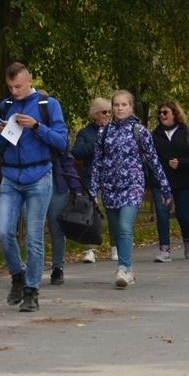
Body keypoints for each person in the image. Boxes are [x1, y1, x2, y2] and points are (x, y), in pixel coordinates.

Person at [0, 63, 68, 312]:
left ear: (30, 81)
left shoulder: (48, 105)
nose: (14, 91)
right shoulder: (5, 106)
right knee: (4, 232)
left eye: (18, 86)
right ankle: (18, 276)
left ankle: (32, 291)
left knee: (34, 238)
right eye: (10, 87)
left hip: (39, 176)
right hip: (11, 177)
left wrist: (37, 126)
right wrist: (1, 133)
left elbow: (62, 142)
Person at [90, 90, 171, 288]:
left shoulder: (139, 131)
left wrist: (165, 186)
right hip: (110, 187)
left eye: (124, 105)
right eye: (116, 105)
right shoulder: (104, 132)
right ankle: (129, 270)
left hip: (133, 185)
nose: (119, 108)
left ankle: (123, 268)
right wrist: (93, 190)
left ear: (131, 107)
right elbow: (97, 162)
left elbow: (153, 160)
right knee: (117, 232)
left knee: (126, 227)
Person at [150, 100, 189, 261]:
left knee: (183, 215)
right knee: (162, 213)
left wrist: (182, 162)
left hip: (183, 180)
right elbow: (151, 158)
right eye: (160, 113)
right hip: (161, 181)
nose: (162, 115)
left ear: (174, 114)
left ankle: (187, 240)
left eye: (165, 112)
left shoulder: (186, 131)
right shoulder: (155, 134)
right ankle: (165, 249)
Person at [71, 97, 118, 263]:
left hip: (112, 179)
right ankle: (91, 249)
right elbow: (76, 153)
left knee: (113, 213)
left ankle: (115, 247)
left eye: (109, 112)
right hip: (92, 178)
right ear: (94, 114)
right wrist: (97, 143)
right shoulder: (85, 133)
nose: (107, 115)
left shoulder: (115, 130)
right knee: (92, 213)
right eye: (104, 112)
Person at [46, 146, 82, 285]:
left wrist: (76, 188)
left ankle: (57, 268)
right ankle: (32, 268)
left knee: (56, 228)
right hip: (31, 180)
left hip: (57, 184)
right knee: (33, 228)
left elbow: (66, 160)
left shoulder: (57, 127)